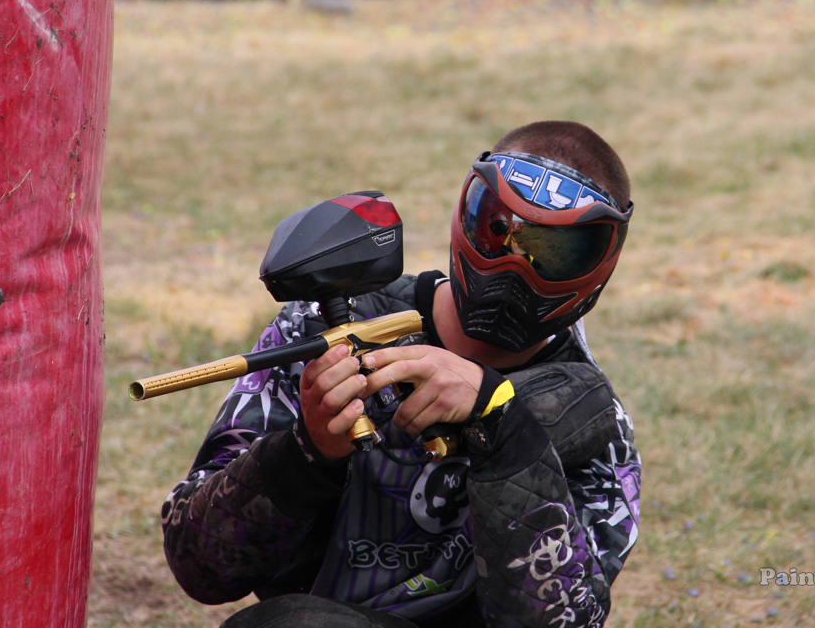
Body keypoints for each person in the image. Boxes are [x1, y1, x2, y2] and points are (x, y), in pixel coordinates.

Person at [161, 121, 641, 628]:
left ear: (602, 262)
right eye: (497, 229)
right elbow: (200, 566)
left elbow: (567, 620)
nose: (514, 265)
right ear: (465, 214)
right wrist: (307, 451)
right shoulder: (329, 332)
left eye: (554, 253)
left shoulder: (592, 421)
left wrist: (505, 432)